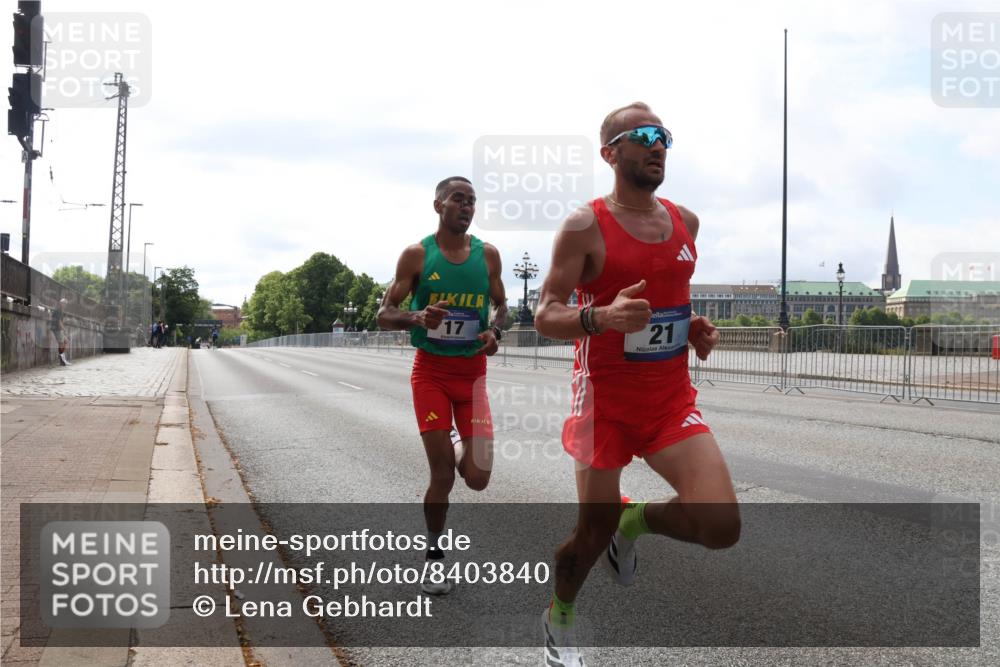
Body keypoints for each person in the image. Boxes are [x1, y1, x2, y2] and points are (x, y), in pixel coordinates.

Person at [533, 102, 741, 666]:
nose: (658, 146)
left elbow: (671, 296)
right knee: (590, 535)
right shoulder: (584, 226)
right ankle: (561, 615)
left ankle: (638, 519)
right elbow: (544, 313)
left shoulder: (685, 222)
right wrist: (599, 318)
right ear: (610, 152)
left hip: (670, 399)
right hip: (604, 402)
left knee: (721, 525)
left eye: (665, 136)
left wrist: (692, 325)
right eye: (644, 135)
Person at [377, 176, 507, 595]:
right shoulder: (417, 255)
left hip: (472, 378)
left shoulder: (488, 256)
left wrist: (496, 333)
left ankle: (453, 439)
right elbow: (384, 313)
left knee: (478, 476)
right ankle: (434, 557)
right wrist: (418, 318)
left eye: (472, 201)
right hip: (430, 374)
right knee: (443, 475)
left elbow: (501, 305)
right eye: (458, 199)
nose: (466, 207)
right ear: (438, 206)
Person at [50, 298, 71, 366]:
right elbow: (59, 322)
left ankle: (63, 360)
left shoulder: (61, 311)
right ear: (60, 303)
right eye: (64, 303)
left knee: (65, 342)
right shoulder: (58, 310)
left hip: (58, 329)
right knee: (61, 343)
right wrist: (64, 330)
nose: (65, 305)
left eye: (66, 304)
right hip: (57, 329)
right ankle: (62, 361)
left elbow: (61, 321)